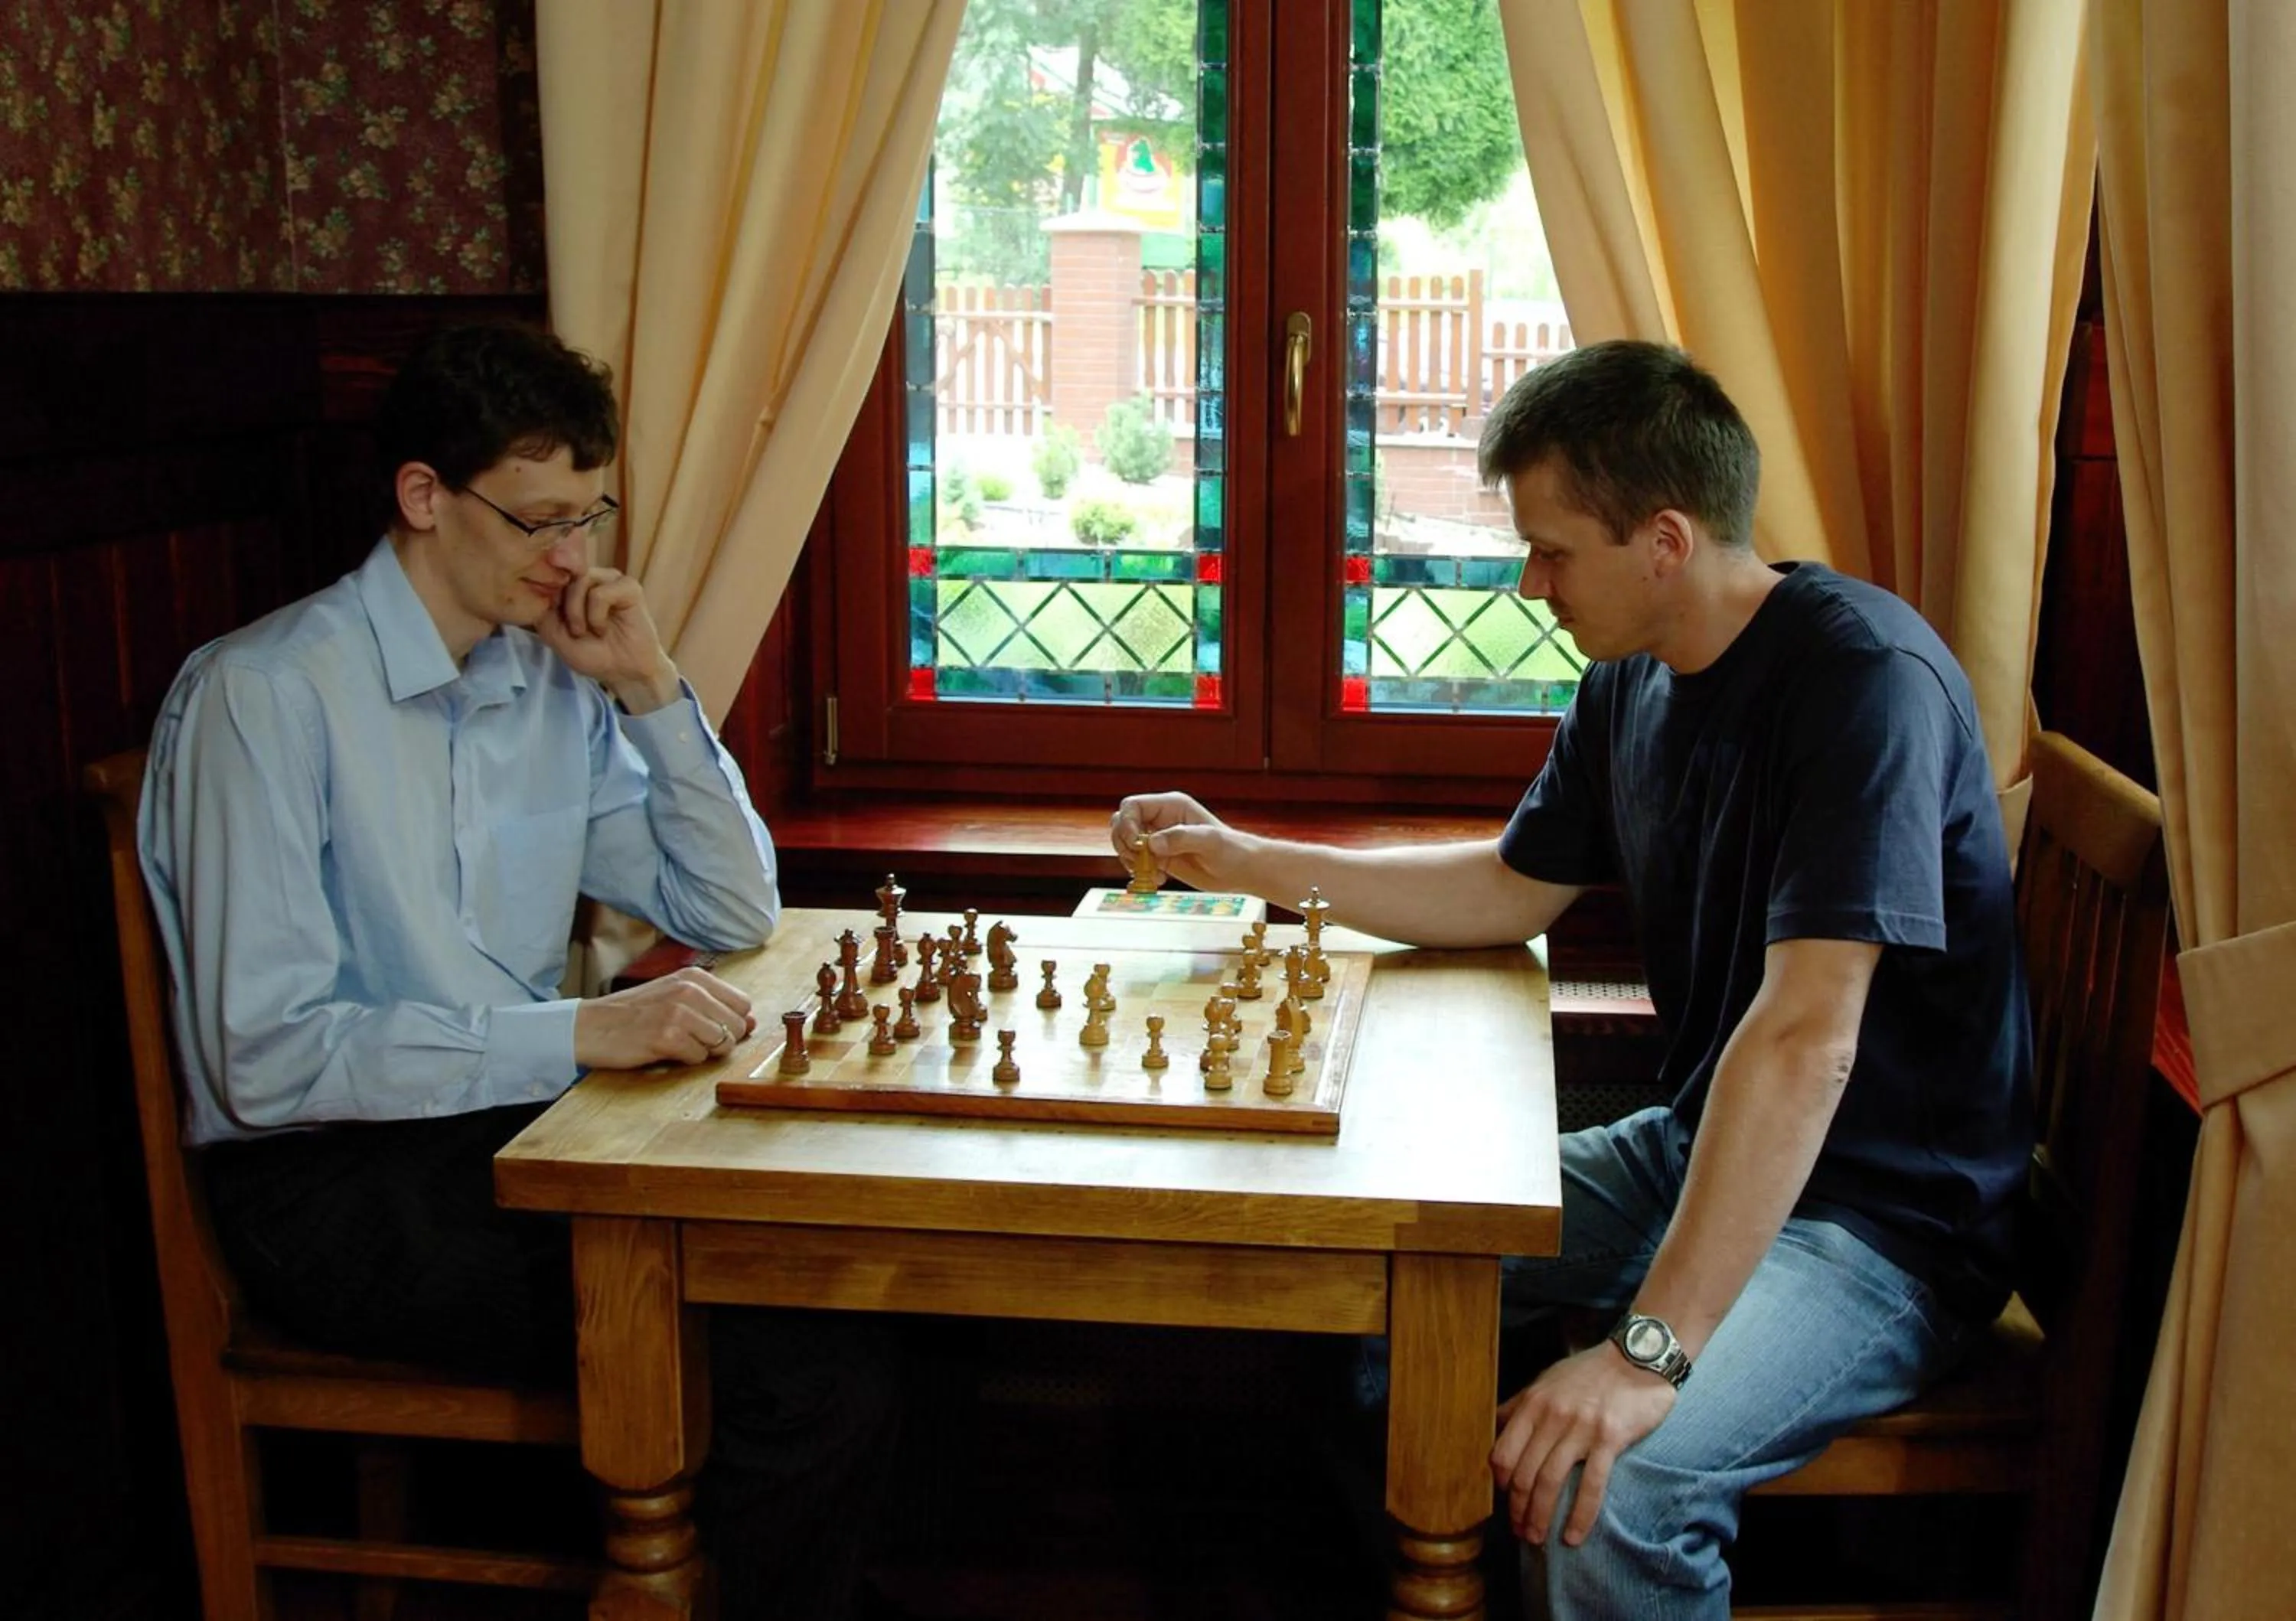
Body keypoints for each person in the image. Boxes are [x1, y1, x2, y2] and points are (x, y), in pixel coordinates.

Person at [1110, 340, 2030, 1618]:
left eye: (1551, 549)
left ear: (1664, 540)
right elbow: (1510, 886)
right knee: (1342, 1286)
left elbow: (1805, 1039)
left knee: (1618, 1490)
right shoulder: (1628, 679)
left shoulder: (1866, 683)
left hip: (1884, 1226)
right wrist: (1246, 855)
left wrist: (1647, 1352)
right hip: (1699, 1148)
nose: (1529, 579)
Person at [139, 321, 897, 1620]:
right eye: (540, 521)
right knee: (806, 1353)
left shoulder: (548, 679)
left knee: (853, 1282)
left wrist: (654, 690)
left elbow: (733, 903)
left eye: (589, 518)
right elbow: (264, 1059)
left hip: (514, 1132)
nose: (572, 561)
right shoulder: (262, 696)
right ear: (425, 497)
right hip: (324, 1180)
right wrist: (578, 1034)